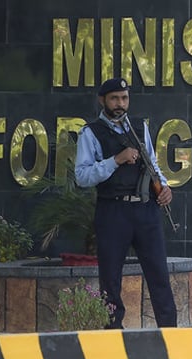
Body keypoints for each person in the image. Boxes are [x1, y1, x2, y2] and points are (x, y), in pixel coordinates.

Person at [75, 77, 177, 328]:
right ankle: (113, 335)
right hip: (113, 211)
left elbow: (152, 164)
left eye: (124, 98)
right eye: (114, 98)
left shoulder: (139, 127)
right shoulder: (91, 133)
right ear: (103, 100)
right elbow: (82, 177)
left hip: (146, 209)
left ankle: (169, 334)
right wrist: (116, 160)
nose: (120, 104)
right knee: (110, 279)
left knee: (159, 276)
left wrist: (164, 187)